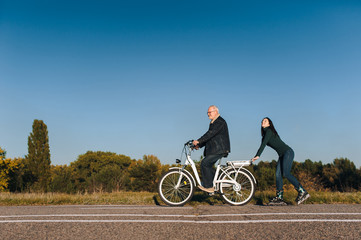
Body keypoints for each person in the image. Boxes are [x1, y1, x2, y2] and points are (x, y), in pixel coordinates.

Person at [251, 117, 310, 205]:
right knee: (278, 175)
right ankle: (279, 197)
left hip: (288, 152)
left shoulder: (269, 131)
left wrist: (258, 155)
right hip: (282, 155)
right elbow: (263, 143)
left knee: (286, 173)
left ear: (269, 124)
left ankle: (302, 192)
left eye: (265, 121)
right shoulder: (264, 136)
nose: (263, 122)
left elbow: (263, 145)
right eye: (262, 121)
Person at [192, 105, 230, 193]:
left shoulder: (219, 121)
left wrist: (198, 141)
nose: (208, 114)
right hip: (217, 149)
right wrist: (199, 145)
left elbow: (210, 134)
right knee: (208, 166)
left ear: (216, 111)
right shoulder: (214, 122)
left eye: (210, 112)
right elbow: (210, 137)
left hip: (220, 149)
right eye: (207, 112)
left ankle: (209, 187)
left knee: (205, 163)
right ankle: (218, 183)